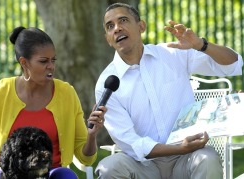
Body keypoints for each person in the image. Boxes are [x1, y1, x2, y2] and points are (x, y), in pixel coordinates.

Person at [95, 2, 243, 179]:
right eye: (110, 26)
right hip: (143, 165)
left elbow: (233, 65)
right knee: (109, 167)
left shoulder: (172, 54)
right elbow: (131, 143)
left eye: (123, 20)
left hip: (187, 158)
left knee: (207, 158)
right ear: (108, 39)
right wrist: (178, 147)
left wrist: (201, 45)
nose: (117, 28)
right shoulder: (107, 83)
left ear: (141, 26)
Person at [0, 26, 107, 179]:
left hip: (51, 172)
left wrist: (92, 135)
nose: (51, 66)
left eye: (53, 60)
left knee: (66, 176)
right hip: (4, 171)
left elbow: (86, 158)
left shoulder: (66, 93)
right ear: (24, 63)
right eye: (43, 61)